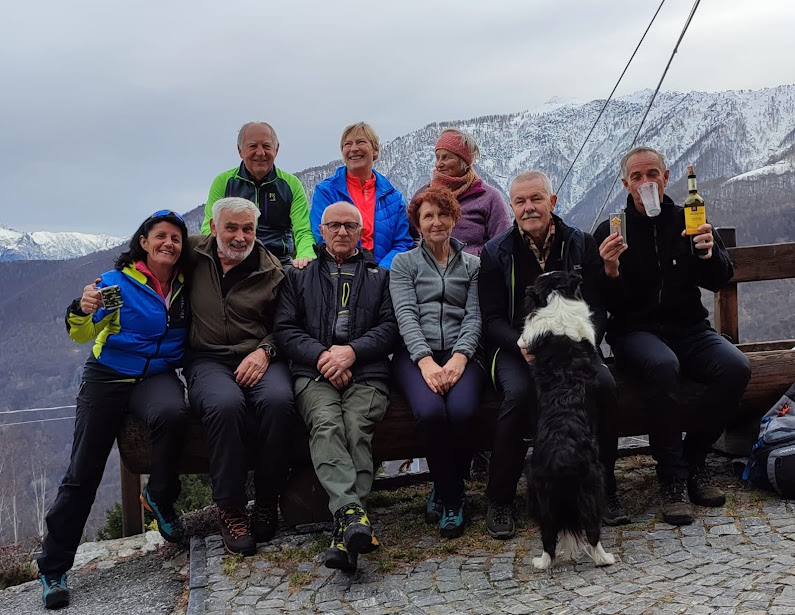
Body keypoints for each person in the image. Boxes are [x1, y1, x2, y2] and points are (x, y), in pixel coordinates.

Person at [38, 211, 190, 610]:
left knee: (173, 413)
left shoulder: (188, 284)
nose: (168, 243)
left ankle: (159, 497)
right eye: (160, 236)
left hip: (156, 375)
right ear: (144, 241)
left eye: (176, 238)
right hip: (108, 375)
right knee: (83, 470)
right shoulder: (117, 283)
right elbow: (82, 333)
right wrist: (81, 307)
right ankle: (53, 568)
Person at [595, 146, 751, 525]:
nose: (645, 182)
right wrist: (610, 270)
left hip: (688, 327)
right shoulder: (613, 229)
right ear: (625, 184)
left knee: (736, 368)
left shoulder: (689, 219)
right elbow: (603, 301)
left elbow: (719, 279)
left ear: (666, 178)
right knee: (664, 366)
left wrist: (708, 254)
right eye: (637, 177)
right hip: (635, 331)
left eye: (653, 174)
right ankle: (672, 479)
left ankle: (694, 460)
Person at [479, 170, 627, 540]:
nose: (528, 208)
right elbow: (492, 318)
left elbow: (597, 306)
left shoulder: (579, 243)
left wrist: (585, 342)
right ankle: (500, 498)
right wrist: (520, 343)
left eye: (536, 199)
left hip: (574, 345)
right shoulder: (496, 252)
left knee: (603, 386)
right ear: (511, 207)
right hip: (519, 348)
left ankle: (605, 486)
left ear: (552, 201)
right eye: (520, 202)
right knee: (517, 396)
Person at [274, 201, 398, 572]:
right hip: (314, 372)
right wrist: (323, 357)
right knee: (327, 425)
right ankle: (352, 517)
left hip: (367, 372)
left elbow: (390, 328)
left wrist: (351, 353)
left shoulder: (380, 276)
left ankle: (344, 527)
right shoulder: (298, 276)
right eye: (334, 225)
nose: (342, 232)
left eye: (349, 225)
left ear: (362, 232)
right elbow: (285, 329)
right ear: (322, 231)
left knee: (356, 427)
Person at [187, 196, 295, 556]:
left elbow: (287, 324)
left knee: (279, 402)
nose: (240, 236)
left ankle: (267, 500)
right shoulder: (192, 253)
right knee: (224, 405)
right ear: (213, 227)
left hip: (261, 354)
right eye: (231, 227)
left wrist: (265, 352)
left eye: (248, 229)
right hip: (208, 358)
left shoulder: (271, 269)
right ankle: (231, 508)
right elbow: (148, 263)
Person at [390, 186, 484, 539]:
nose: (436, 222)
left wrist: (460, 358)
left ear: (454, 218)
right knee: (430, 412)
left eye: (443, 214)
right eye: (428, 216)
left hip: (463, 353)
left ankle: (445, 487)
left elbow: (475, 316)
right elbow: (406, 315)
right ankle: (453, 498)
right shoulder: (404, 264)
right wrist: (426, 361)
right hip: (415, 354)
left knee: (462, 411)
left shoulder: (473, 265)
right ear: (417, 223)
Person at [202, 122, 315, 268]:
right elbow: (209, 228)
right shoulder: (223, 182)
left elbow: (303, 231)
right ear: (240, 150)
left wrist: (306, 256)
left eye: (266, 146)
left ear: (276, 149)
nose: (260, 152)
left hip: (278, 262)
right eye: (253, 146)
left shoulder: (291, 184)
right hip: (233, 258)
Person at [310, 122, 413, 269]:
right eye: (348, 144)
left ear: (375, 150)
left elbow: (402, 243)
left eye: (361, 142)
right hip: (339, 272)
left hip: (383, 275)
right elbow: (322, 237)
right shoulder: (326, 192)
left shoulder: (394, 198)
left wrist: (380, 272)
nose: (354, 149)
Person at [413, 129, 511, 256]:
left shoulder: (488, 197)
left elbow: (503, 242)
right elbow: (410, 237)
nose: (439, 164)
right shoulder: (424, 195)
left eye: (446, 157)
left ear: (463, 161)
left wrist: (482, 261)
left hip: (476, 267)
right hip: (430, 267)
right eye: (437, 157)